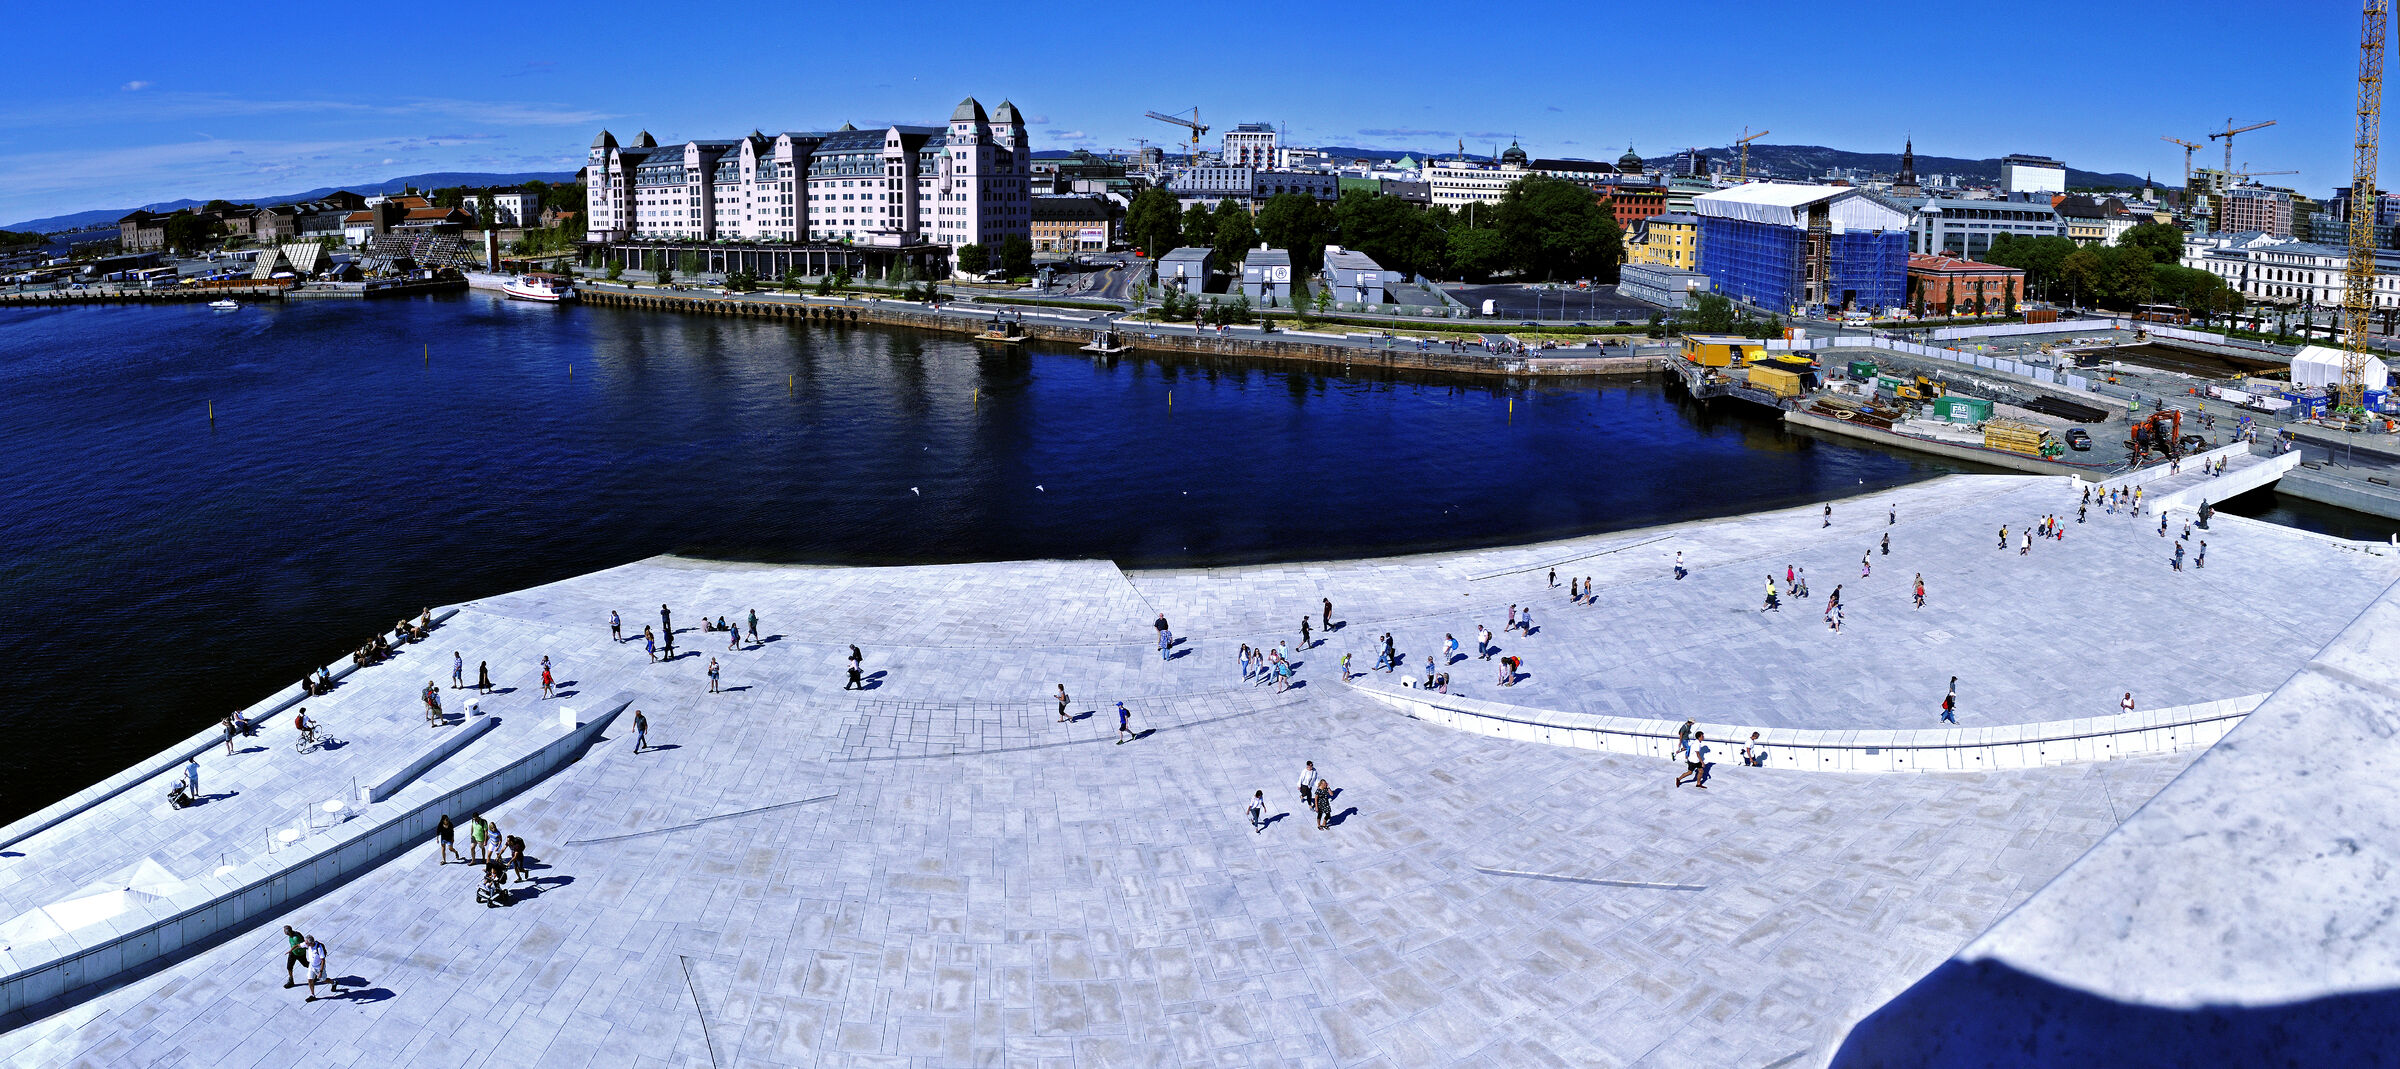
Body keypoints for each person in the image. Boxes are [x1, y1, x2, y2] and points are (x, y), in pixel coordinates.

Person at [304, 935, 339, 1001]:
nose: (305, 944)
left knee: (323, 980)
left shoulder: (319, 948)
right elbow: (299, 945)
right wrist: (292, 949)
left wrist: (320, 972)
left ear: (311, 943)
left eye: (306, 943)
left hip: (319, 967)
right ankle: (312, 995)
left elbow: (323, 960)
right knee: (310, 980)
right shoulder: (308, 945)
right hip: (311, 966)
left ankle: (334, 982)